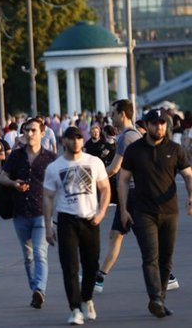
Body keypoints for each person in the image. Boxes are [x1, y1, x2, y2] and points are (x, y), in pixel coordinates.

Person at [119, 108, 192, 318]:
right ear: (147, 125)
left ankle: (160, 299)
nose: (159, 126)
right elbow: (123, 180)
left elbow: (188, 175)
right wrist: (123, 210)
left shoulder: (175, 149)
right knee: (150, 256)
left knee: (166, 259)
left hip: (170, 212)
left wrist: (190, 196)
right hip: (144, 212)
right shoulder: (135, 150)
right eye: (154, 123)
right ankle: (155, 298)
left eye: (162, 123)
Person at [43, 126, 110, 325]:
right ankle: (75, 309)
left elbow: (105, 189)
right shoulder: (55, 167)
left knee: (91, 265)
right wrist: (48, 225)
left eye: (79, 138)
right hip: (67, 220)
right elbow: (47, 197)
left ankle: (87, 299)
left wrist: (101, 213)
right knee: (69, 266)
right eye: (72, 138)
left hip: (90, 219)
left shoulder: (94, 162)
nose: (76, 142)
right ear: (64, 141)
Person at [0, 118, 56, 309]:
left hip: (42, 212)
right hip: (20, 212)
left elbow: (60, 182)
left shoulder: (50, 157)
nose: (29, 134)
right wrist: (14, 183)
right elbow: (2, 176)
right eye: (26, 131)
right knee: (28, 256)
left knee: (40, 253)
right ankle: (35, 290)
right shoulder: (16, 156)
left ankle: (39, 289)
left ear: (42, 133)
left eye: (33, 130)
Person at [94, 99, 142, 293]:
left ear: (122, 114)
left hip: (133, 193)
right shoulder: (133, 134)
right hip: (133, 192)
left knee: (136, 237)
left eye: (113, 113)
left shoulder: (126, 138)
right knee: (117, 235)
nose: (111, 117)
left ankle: (99, 278)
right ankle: (100, 277)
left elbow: (114, 168)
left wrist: (91, 179)